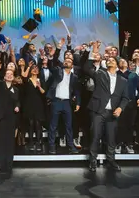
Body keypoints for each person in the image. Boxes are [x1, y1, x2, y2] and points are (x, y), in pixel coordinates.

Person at [84, 42, 129, 172]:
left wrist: (120, 108)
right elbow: (87, 68)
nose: (110, 61)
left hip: (113, 112)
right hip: (99, 110)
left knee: (111, 138)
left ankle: (111, 159)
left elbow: (125, 98)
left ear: (117, 64)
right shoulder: (100, 74)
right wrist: (93, 52)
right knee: (95, 135)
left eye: (112, 60)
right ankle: (93, 160)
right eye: (108, 60)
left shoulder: (123, 80)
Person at [46, 57, 81, 154]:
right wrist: (56, 51)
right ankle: (51, 146)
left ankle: (70, 145)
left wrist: (78, 103)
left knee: (69, 126)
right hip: (56, 101)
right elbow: (50, 65)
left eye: (69, 61)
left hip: (67, 103)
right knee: (53, 125)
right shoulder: (58, 72)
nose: (66, 61)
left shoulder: (74, 77)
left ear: (72, 65)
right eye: (65, 60)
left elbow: (77, 91)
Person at [0, 69, 20, 176]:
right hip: (0, 117)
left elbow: (17, 101)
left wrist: (17, 106)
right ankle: (1, 165)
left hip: (11, 118)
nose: (9, 75)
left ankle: (9, 165)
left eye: (11, 74)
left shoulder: (16, 89)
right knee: (1, 142)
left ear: (13, 77)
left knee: (9, 142)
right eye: (7, 74)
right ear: (4, 77)